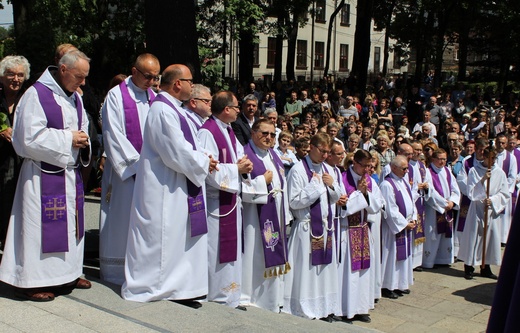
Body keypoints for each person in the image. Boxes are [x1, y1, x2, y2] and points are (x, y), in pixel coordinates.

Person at [0, 50, 92, 301]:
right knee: (38, 229)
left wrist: (82, 139)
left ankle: (68, 274)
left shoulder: (76, 98)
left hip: (69, 174)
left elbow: (82, 127)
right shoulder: (36, 95)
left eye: (85, 77)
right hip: (42, 177)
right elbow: (25, 139)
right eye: (79, 76)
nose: (83, 82)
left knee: (71, 227)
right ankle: (33, 281)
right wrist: (68, 138)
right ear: (63, 70)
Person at [122, 64, 217, 306]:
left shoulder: (175, 110)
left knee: (178, 237)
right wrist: (204, 161)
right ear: (177, 84)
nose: (192, 86)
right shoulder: (163, 111)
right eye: (190, 81)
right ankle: (159, 287)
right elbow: (175, 152)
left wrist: (204, 157)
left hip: (179, 183)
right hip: (165, 187)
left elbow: (189, 144)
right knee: (165, 238)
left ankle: (179, 287)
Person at [99, 53, 160, 285]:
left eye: (156, 77)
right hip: (126, 172)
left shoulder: (154, 97)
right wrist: (138, 166)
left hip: (151, 174)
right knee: (121, 219)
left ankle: (143, 269)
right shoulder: (116, 97)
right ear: (134, 72)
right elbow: (113, 135)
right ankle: (116, 272)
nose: (152, 81)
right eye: (148, 76)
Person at [198, 91, 253, 309]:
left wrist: (245, 165)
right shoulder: (207, 132)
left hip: (231, 199)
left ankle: (231, 295)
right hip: (216, 203)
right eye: (237, 107)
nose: (239, 110)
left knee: (231, 250)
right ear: (227, 109)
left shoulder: (228, 130)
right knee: (216, 249)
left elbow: (239, 156)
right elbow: (208, 169)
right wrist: (237, 169)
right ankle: (218, 294)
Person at [283, 132, 342, 320]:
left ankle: (323, 307)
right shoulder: (298, 170)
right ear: (312, 147)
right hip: (306, 228)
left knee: (324, 271)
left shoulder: (328, 169)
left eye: (328, 151)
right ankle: (304, 307)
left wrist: (332, 186)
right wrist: (315, 188)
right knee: (307, 273)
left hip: (325, 228)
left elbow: (336, 198)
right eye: (323, 151)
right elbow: (293, 203)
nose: (325, 155)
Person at [240, 119, 291, 312]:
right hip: (254, 216)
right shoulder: (245, 155)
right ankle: (249, 295)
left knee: (269, 253)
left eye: (272, 134)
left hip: (275, 211)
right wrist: (262, 181)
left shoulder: (274, 155)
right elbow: (241, 189)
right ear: (253, 133)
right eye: (264, 133)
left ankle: (271, 299)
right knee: (254, 253)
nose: (269, 138)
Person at [339, 149, 383, 322]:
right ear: (354, 163)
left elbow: (376, 206)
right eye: (364, 166)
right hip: (347, 230)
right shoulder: (342, 179)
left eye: (370, 166)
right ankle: (346, 309)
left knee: (364, 272)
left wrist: (365, 193)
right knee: (349, 273)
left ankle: (362, 308)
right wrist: (359, 193)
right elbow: (344, 209)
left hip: (363, 230)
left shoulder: (370, 181)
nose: (367, 170)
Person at [458, 148, 509, 280]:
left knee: (489, 239)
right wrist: (483, 179)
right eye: (489, 159)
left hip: (491, 209)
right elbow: (471, 192)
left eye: (494, 159)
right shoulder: (474, 171)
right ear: (484, 157)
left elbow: (504, 193)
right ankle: (469, 267)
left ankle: (486, 267)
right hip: (477, 208)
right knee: (473, 237)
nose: (492, 162)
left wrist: (492, 200)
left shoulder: (500, 173)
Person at [0, 55, 30, 249]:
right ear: (2, 76)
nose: (16, 79)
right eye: (11, 74)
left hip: (23, 160)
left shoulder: (29, 98)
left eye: (20, 75)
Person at [379, 156, 417, 299]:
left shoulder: (404, 182)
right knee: (392, 257)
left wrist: (413, 218)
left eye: (407, 168)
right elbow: (390, 208)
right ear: (393, 168)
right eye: (404, 168)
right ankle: (388, 286)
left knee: (403, 256)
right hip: (393, 228)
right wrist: (404, 223)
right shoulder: (387, 185)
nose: (407, 171)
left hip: (406, 225)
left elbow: (411, 201)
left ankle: (401, 283)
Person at [423, 149, 461, 269]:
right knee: (432, 234)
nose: (442, 161)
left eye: (444, 159)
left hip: (447, 207)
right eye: (439, 159)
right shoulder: (428, 172)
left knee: (446, 235)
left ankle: (443, 259)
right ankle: (430, 261)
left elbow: (455, 188)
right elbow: (430, 191)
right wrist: (443, 203)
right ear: (433, 159)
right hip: (434, 209)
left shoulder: (447, 170)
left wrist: (452, 202)